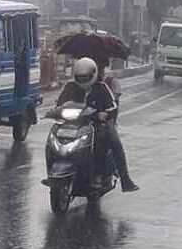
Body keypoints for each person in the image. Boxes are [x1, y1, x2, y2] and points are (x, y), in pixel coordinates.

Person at [56, 57, 139, 192]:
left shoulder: (102, 87)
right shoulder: (70, 87)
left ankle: (124, 179)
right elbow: (59, 104)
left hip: (97, 125)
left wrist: (105, 114)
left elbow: (113, 107)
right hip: (73, 125)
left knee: (112, 140)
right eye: (80, 77)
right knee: (54, 135)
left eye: (86, 77)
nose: (83, 80)